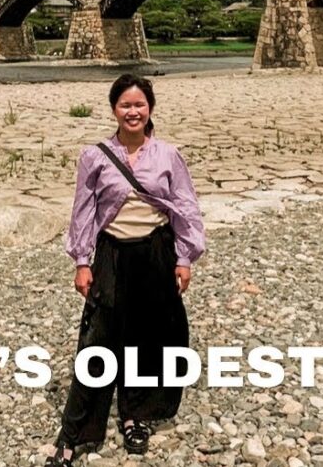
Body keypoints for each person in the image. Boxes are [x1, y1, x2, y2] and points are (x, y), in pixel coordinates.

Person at [45, 73, 206, 465]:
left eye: (139, 105)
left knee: (149, 337)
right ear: (114, 109)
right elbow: (83, 212)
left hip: (155, 253)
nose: (133, 112)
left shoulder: (168, 155)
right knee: (97, 341)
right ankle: (75, 432)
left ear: (150, 108)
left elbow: (185, 207)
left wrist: (184, 257)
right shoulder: (95, 156)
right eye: (125, 105)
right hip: (112, 254)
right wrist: (82, 261)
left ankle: (136, 415)